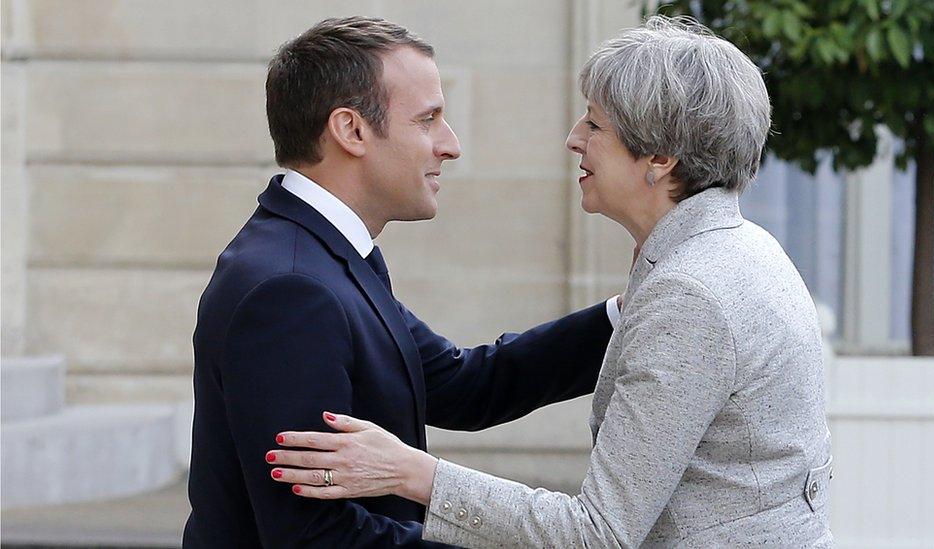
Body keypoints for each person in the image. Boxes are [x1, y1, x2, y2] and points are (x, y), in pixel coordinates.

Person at [268, 16, 834, 548]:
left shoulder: (691, 293)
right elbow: (464, 382)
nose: (573, 138)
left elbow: (596, 534)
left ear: (658, 157)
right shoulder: (742, 250)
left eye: (595, 124)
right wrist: (630, 310)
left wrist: (415, 474)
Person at [182, 16, 620, 548]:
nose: (451, 145)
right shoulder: (291, 289)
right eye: (428, 119)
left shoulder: (322, 257)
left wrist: (634, 313)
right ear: (351, 130)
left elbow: (466, 387)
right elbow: (315, 538)